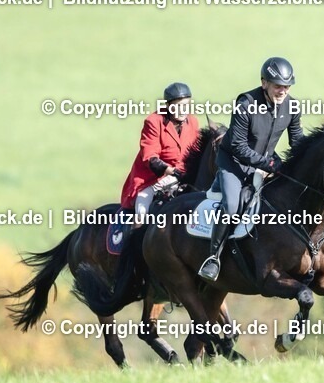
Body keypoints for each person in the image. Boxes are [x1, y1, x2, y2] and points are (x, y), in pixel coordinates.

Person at [198, 57, 302, 281]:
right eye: (277, 86)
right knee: (233, 206)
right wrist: (270, 164)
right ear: (264, 83)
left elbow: (297, 142)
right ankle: (213, 258)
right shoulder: (246, 104)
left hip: (264, 162)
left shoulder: (292, 107)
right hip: (234, 163)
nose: (282, 91)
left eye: (286, 86)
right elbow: (237, 146)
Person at [120, 82, 200, 227]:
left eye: (186, 105)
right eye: (178, 106)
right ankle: (135, 240)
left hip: (183, 177)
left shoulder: (193, 122)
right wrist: (172, 171)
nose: (183, 110)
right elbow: (150, 157)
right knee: (142, 209)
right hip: (153, 179)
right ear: (168, 106)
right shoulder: (154, 121)